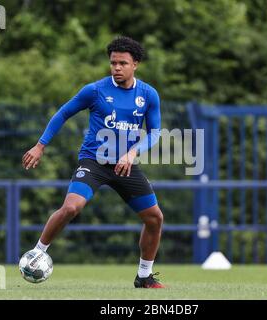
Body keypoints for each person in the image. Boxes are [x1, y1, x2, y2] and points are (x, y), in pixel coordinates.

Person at [21, 36, 165, 288]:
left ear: (136, 64)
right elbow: (63, 112)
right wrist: (40, 145)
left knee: (155, 218)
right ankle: (37, 253)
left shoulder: (148, 94)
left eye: (122, 63)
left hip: (125, 165)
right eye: (113, 63)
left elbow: (154, 132)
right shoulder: (95, 90)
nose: (117, 68)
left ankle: (144, 277)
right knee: (71, 208)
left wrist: (132, 153)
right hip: (94, 162)